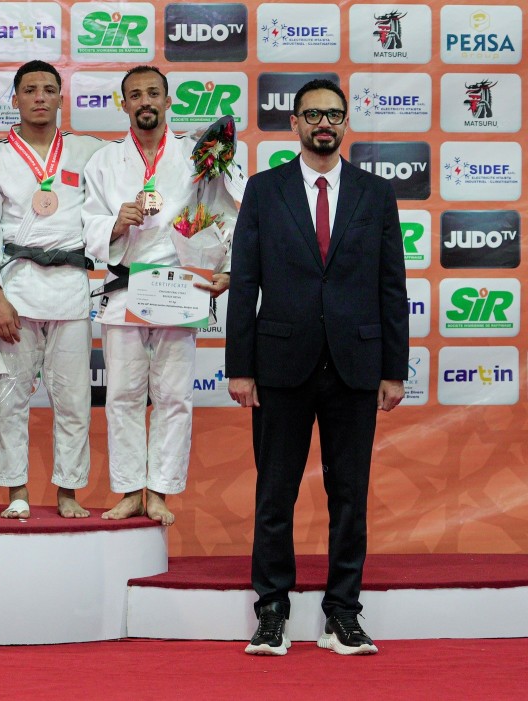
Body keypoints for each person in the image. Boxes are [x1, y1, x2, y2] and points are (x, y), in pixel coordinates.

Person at [225, 78, 408, 656]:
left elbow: (392, 285)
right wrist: (239, 366)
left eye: (333, 114)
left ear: (345, 122)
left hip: (356, 366)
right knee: (274, 493)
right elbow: (245, 282)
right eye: (312, 115)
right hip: (279, 364)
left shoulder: (375, 194)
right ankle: (271, 612)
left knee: (349, 495)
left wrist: (394, 369)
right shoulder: (264, 190)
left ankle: (342, 614)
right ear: (295, 123)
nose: (323, 123)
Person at [83, 66, 232, 526]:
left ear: (168, 102)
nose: (144, 101)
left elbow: (225, 210)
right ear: (123, 104)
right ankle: (131, 491)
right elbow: (86, 221)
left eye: (153, 93)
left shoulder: (198, 154)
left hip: (179, 287)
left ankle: (161, 491)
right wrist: (113, 224)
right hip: (126, 286)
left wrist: (226, 268)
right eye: (135, 95)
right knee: (122, 396)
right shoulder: (104, 161)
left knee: (174, 396)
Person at [0, 60, 104, 519]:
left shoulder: (88, 152)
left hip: (70, 290)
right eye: (29, 90)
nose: (39, 97)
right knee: (9, 399)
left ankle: (68, 491)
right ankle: (16, 491)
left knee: (74, 400)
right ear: (16, 99)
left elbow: (133, 169)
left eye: (47, 89)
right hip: (16, 291)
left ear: (61, 97)